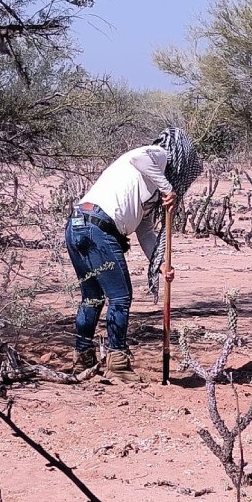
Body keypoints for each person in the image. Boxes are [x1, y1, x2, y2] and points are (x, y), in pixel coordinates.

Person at [65, 127, 202, 381]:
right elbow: (137, 159)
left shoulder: (148, 188)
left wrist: (160, 264)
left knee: (92, 298)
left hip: (77, 226)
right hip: (97, 228)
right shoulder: (158, 156)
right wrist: (166, 188)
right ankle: (117, 362)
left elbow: (145, 232)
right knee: (120, 297)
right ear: (179, 155)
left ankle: (82, 357)